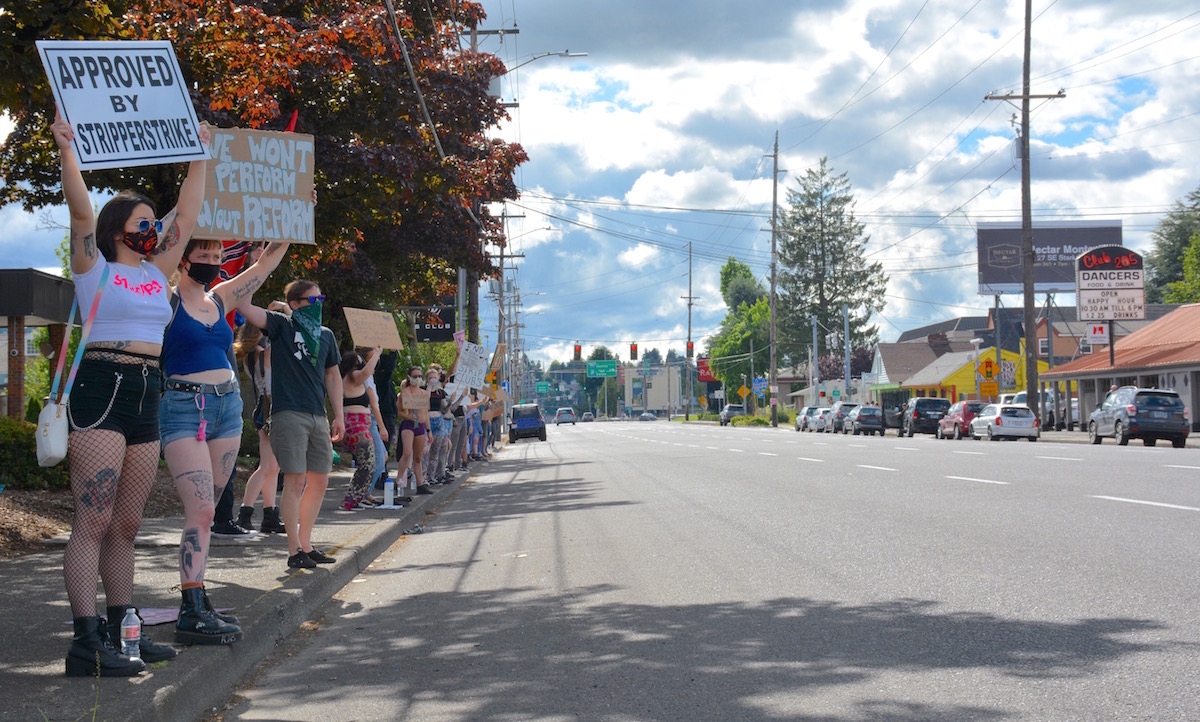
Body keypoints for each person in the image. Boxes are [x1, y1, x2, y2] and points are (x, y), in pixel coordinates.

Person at [52, 108, 208, 676]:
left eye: (153, 222)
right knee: (91, 520)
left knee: (126, 525)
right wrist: (68, 148)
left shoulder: (155, 271)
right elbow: (79, 210)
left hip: (147, 389)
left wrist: (198, 156)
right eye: (143, 221)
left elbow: (187, 217)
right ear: (120, 228)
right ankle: (84, 642)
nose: (154, 228)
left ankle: (124, 632)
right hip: (102, 386)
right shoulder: (93, 266)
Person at [159, 237, 290, 644]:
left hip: (226, 408)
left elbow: (263, 268)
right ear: (183, 261)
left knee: (211, 507)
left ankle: (198, 597)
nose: (214, 263)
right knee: (198, 509)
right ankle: (191, 605)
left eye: (217, 257)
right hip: (183, 406)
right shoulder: (166, 298)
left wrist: (289, 222)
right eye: (204, 257)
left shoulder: (220, 298)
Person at [237, 280, 343, 569]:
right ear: (295, 303)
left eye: (320, 297)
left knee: (319, 480)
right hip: (288, 414)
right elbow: (245, 306)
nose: (318, 303)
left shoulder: (326, 335)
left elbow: (333, 377)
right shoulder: (281, 326)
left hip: (317, 415)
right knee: (295, 481)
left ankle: (307, 544)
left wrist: (339, 415)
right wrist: (254, 266)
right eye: (313, 299)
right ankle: (294, 550)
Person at [234, 321, 286, 532]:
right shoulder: (264, 353)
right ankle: (245, 512)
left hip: (264, 409)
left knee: (272, 467)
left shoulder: (251, 355)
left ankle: (269, 515)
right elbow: (287, 335)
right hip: (270, 409)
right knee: (267, 467)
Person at [338, 347, 386, 509]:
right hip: (357, 427)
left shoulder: (347, 379)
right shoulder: (352, 377)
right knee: (368, 464)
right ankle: (352, 499)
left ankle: (355, 498)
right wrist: (377, 354)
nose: (361, 365)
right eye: (359, 362)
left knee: (367, 464)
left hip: (357, 427)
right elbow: (366, 373)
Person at [396, 367, 434, 495]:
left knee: (418, 457)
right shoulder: (405, 393)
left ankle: (420, 484)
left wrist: (429, 431)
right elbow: (400, 412)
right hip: (409, 425)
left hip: (421, 426)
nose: (417, 378)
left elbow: (425, 413)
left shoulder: (423, 394)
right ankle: (398, 480)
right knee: (407, 452)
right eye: (415, 376)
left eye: (419, 376)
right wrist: (408, 416)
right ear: (409, 377)